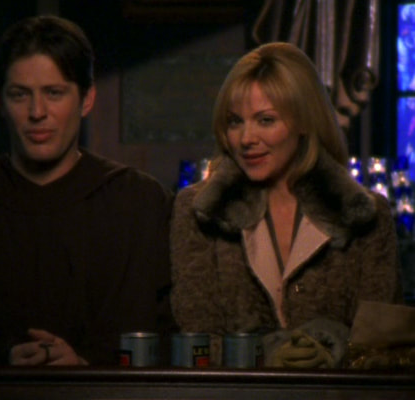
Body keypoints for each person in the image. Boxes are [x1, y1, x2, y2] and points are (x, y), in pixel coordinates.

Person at [0, 15, 173, 367]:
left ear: (86, 99)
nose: (37, 112)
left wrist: (85, 365)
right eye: (20, 94)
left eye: (54, 93)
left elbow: (163, 334)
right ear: (0, 101)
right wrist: (2, 357)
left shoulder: (139, 201)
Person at [170, 42, 402, 367]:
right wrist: (267, 356)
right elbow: (196, 341)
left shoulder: (364, 214)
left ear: (305, 122)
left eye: (265, 120)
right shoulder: (198, 211)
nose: (246, 138)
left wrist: (330, 351)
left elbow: (382, 348)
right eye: (235, 121)